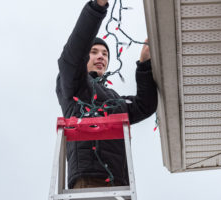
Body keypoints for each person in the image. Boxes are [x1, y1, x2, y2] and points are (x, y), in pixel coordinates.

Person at [56, 0, 157, 189]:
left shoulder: (113, 99)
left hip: (119, 182)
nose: (101, 56)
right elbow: (72, 56)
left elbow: (145, 105)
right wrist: (97, 6)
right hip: (87, 180)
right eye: (93, 52)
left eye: (105, 53)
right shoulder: (72, 84)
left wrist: (144, 66)